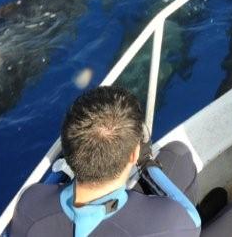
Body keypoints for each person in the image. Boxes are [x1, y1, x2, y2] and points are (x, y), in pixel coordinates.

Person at [10, 86, 200, 237]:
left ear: (68, 151)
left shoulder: (29, 204)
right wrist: (147, 164)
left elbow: (48, 187)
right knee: (178, 154)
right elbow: (193, 220)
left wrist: (61, 172)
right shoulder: (169, 221)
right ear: (134, 154)